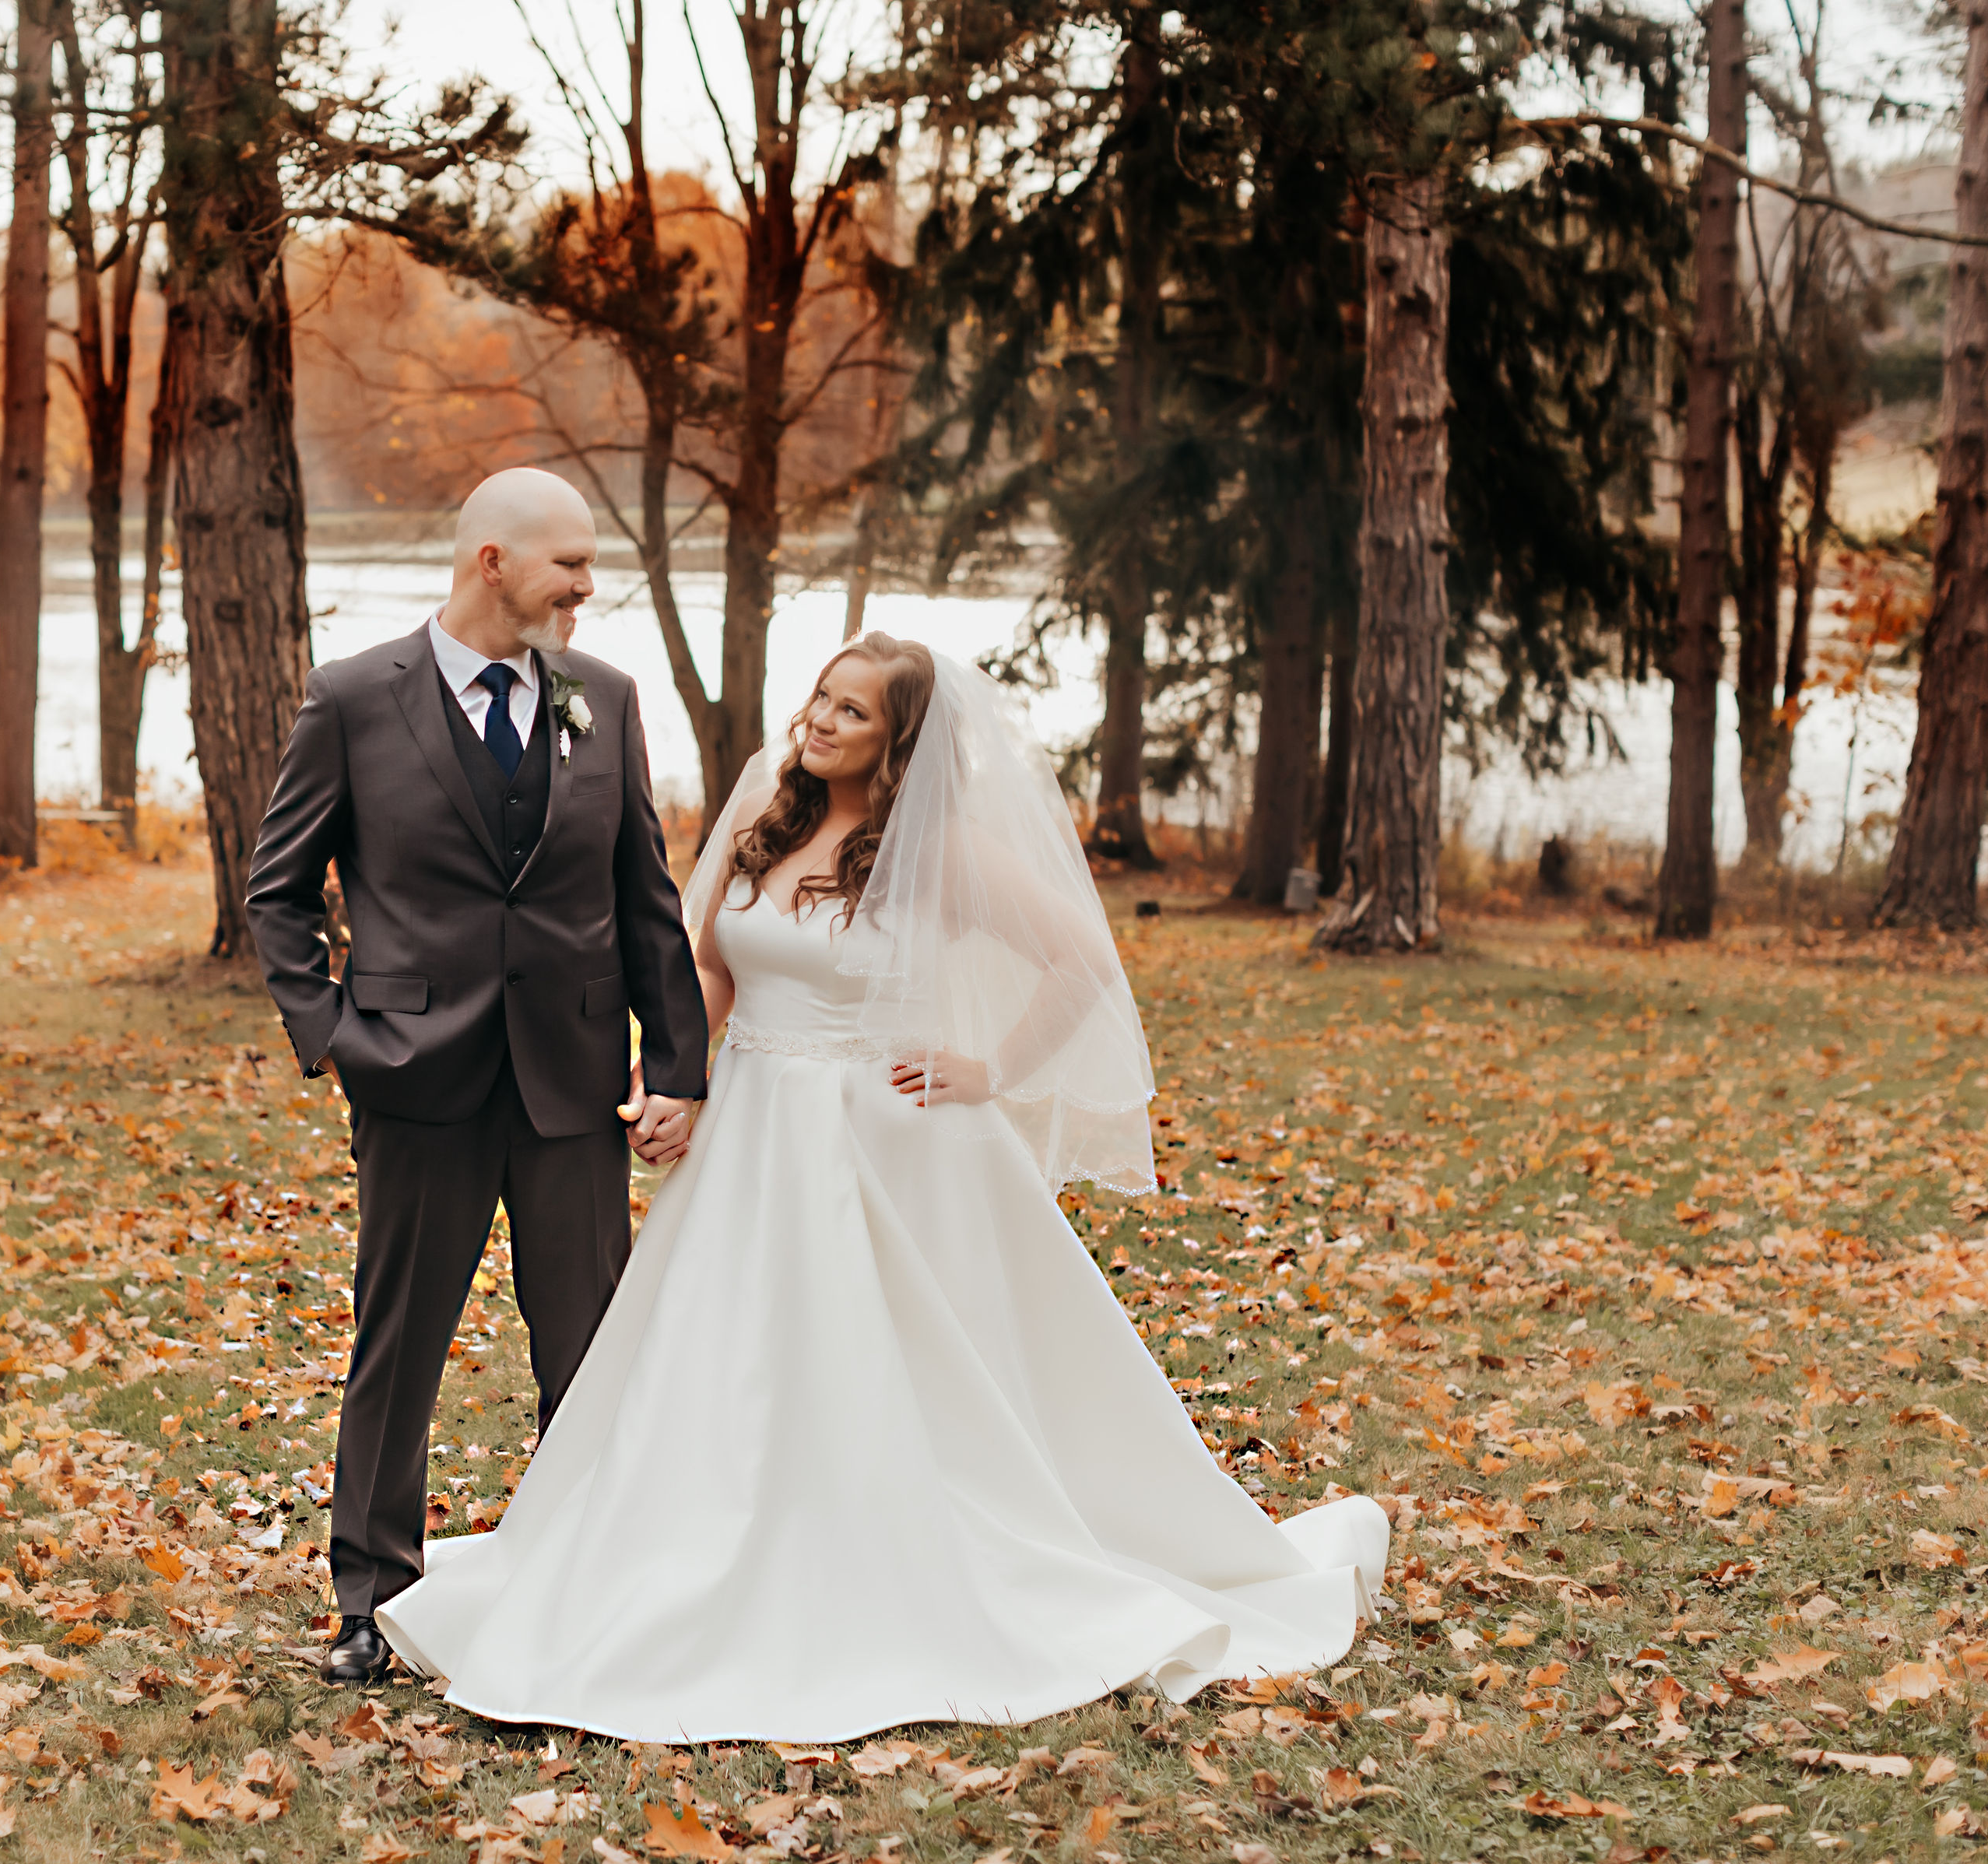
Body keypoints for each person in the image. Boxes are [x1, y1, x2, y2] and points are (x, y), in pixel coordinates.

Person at [374, 634, 1389, 1741]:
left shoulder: (936, 848)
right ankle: (695, 1553)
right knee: (727, 1358)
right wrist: (673, 1079)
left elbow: (1082, 966)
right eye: (821, 698)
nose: (820, 722)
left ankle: (881, 1560)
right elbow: (715, 965)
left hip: (877, 1137)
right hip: (752, 1130)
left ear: (897, 741)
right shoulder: (770, 808)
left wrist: (987, 1068)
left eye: (852, 714)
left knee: (874, 1361)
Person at [244, 469, 711, 1688]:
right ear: (493, 561)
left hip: (571, 1082)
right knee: (398, 1345)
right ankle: (372, 1596)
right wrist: (336, 1032)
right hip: (414, 1080)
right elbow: (278, 892)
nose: (587, 588)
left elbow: (643, 897)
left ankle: (591, 1580)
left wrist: (678, 1064)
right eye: (571, 565)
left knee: (589, 1347)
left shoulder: (600, 698)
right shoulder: (353, 698)